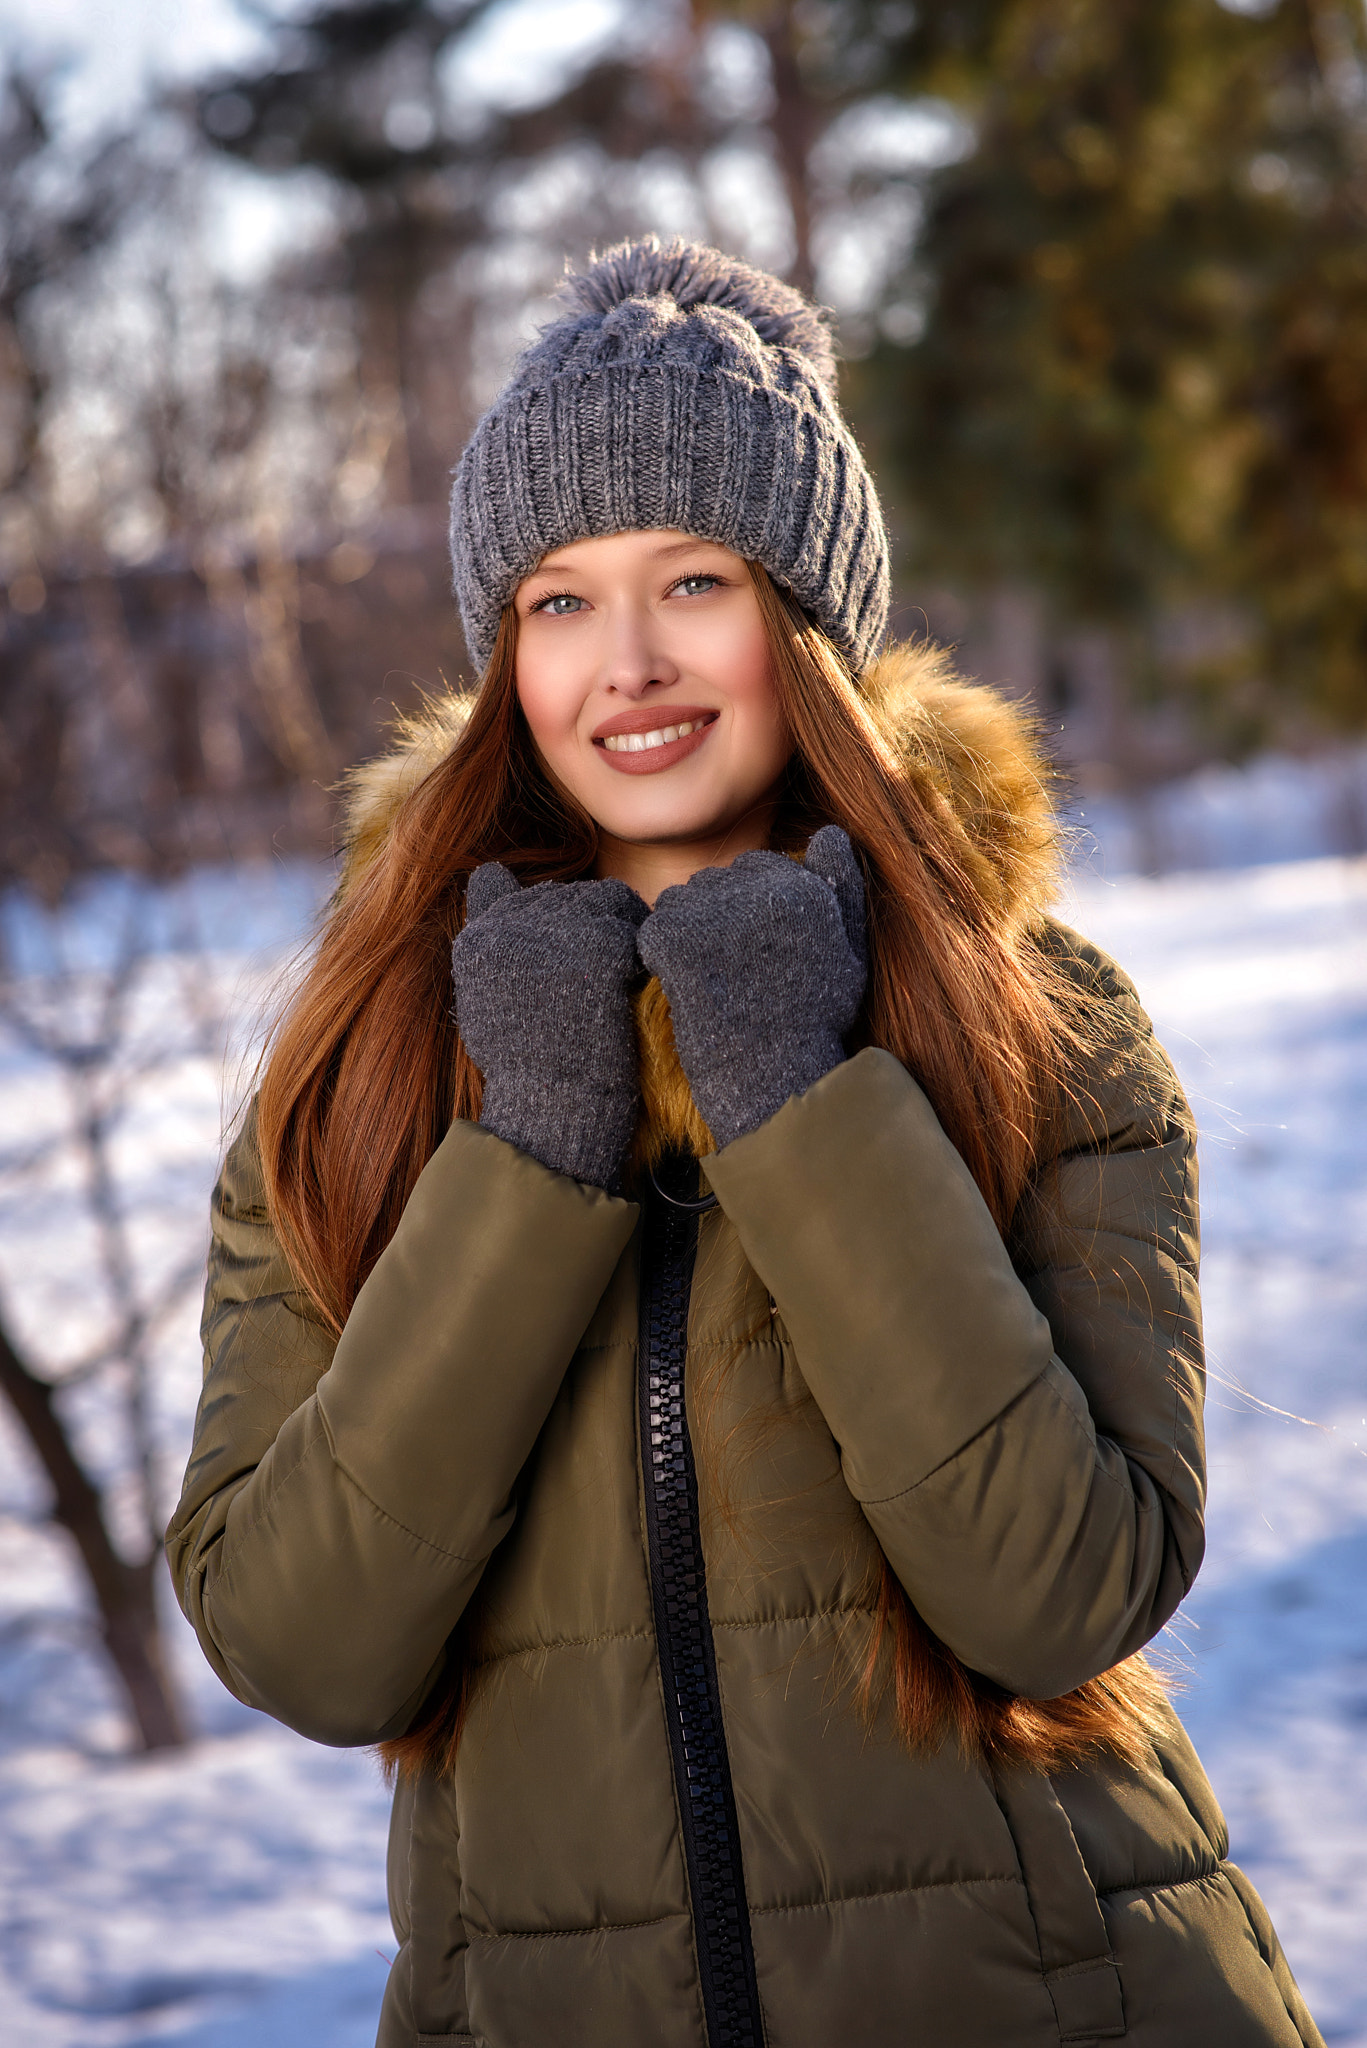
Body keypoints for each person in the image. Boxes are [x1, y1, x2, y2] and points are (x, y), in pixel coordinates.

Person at [167, 238, 1321, 2048]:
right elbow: (307, 1644)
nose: (626, 664)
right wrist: (535, 1151)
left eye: (693, 580)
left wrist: (799, 1095)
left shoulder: (1025, 1012)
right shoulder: (376, 1062)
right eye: (558, 600)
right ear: (499, 655)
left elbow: (1061, 1592)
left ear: (807, 621)